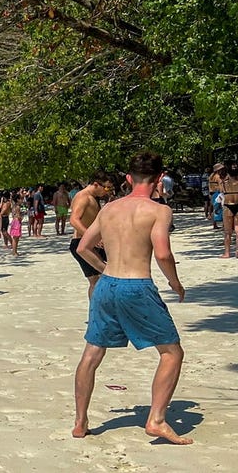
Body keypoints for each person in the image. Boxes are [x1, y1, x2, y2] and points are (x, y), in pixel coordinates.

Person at [72, 152, 190, 444]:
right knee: (172, 352)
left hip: (108, 285)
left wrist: (105, 270)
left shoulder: (109, 208)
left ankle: (80, 422)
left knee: (91, 354)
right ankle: (157, 419)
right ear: (159, 178)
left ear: (128, 178)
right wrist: (175, 284)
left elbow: (83, 246)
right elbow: (162, 253)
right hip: (136, 286)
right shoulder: (159, 211)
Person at [68, 171, 112, 304]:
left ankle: (100, 312)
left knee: (101, 278)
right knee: (97, 279)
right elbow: (74, 220)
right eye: (106, 188)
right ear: (96, 184)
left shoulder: (93, 198)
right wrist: (92, 238)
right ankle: (97, 313)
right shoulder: (83, 197)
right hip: (81, 242)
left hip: (91, 243)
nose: (107, 191)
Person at [222, 162, 238, 259]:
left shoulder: (225, 181)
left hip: (228, 204)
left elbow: (221, 191)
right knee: (237, 230)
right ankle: (237, 251)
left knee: (227, 231)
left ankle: (227, 253)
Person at [207, 163, 223, 228]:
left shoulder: (211, 176)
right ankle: (224, 224)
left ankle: (214, 224)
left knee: (214, 208)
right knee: (221, 208)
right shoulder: (218, 176)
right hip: (217, 192)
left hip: (211, 192)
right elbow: (220, 185)